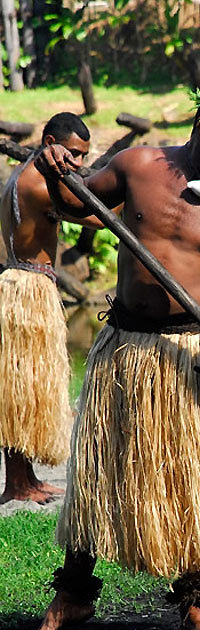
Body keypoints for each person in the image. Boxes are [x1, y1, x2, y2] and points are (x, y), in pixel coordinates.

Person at [24, 82, 200, 630]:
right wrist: (54, 166)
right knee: (96, 473)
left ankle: (192, 603)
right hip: (125, 347)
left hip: (191, 355)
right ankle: (71, 599)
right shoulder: (137, 165)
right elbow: (72, 202)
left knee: (186, 476)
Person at [0, 112, 105, 504]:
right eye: (73, 154)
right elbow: (97, 216)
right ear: (49, 143)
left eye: (84, 157)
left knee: (27, 389)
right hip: (27, 290)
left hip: (25, 285)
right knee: (21, 391)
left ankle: (25, 479)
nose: (77, 163)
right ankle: (18, 484)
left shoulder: (28, 172)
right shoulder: (40, 186)